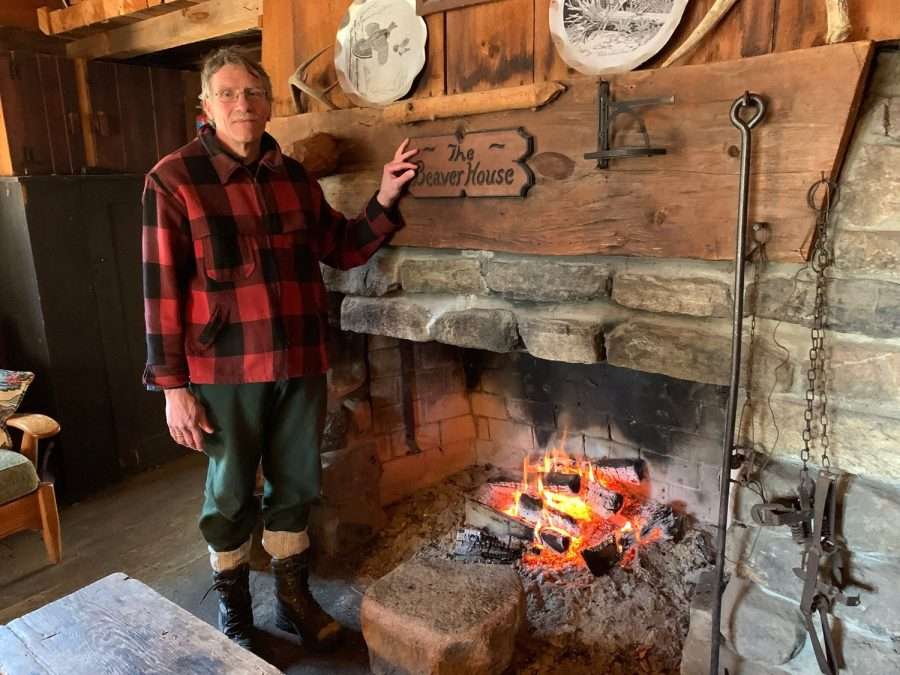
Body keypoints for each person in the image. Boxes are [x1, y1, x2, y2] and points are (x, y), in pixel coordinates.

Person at [141, 47, 417, 653]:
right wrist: (172, 389)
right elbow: (159, 290)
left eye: (255, 94)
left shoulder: (292, 176)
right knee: (231, 490)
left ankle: (294, 598)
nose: (244, 104)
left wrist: (384, 201)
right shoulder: (173, 179)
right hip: (223, 369)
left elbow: (340, 247)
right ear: (207, 107)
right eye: (230, 93)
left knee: (296, 485)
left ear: (269, 104)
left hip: (300, 359)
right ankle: (237, 611)